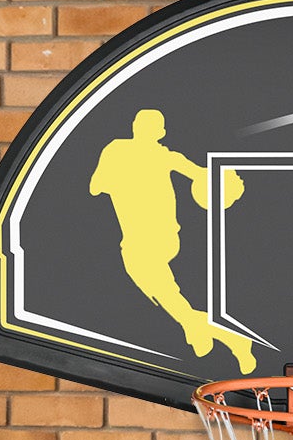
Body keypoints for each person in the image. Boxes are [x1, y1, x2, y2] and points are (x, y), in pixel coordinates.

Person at [89, 108, 257, 373]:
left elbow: (96, 186)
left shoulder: (121, 151)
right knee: (163, 292)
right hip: (159, 237)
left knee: (157, 287)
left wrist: (229, 185)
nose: (142, 128)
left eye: (146, 125)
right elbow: (200, 173)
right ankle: (202, 332)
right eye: (141, 123)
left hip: (148, 238)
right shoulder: (159, 156)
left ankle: (226, 337)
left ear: (156, 132)